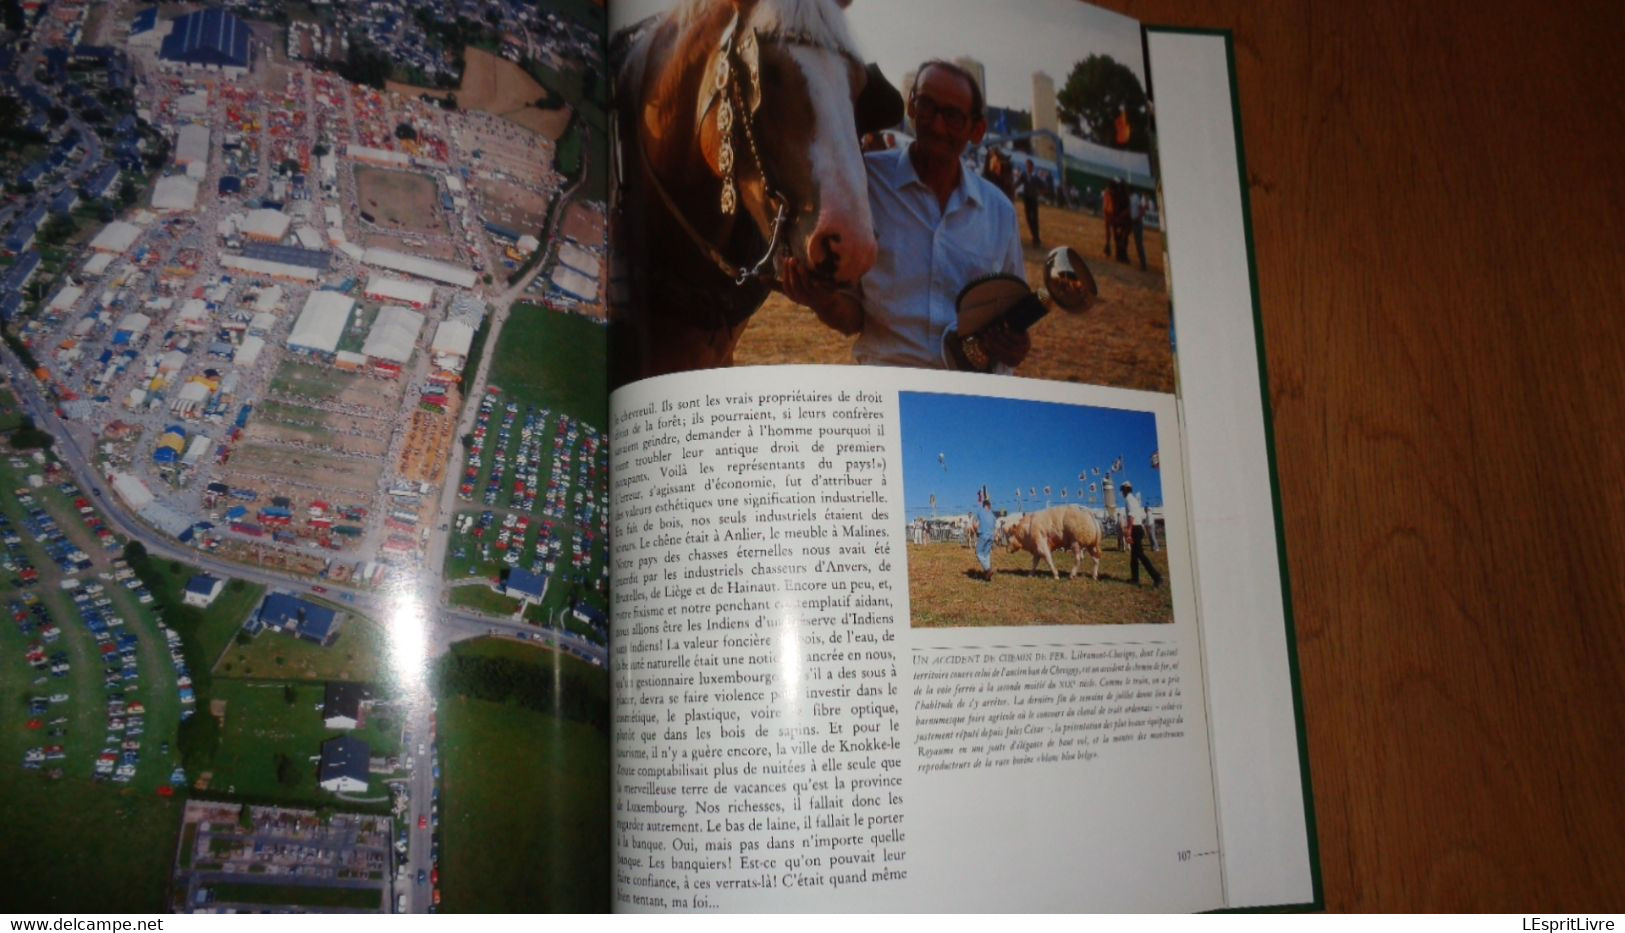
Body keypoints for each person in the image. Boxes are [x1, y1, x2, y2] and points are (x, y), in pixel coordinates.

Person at [780, 60, 1028, 371]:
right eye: (927, 106)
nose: (936, 126)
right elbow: (854, 318)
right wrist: (823, 301)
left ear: (977, 130)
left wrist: (1015, 344)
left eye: (952, 117)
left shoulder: (1000, 214)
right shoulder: (866, 183)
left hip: (971, 397)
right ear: (911, 105)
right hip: (888, 386)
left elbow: (1015, 320)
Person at [1120, 481, 1161, 587]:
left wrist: (1128, 532)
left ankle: (1156, 577)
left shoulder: (1128, 500)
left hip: (1134, 528)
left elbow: (1131, 516)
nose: (1121, 492)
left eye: (1122, 490)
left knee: (1140, 555)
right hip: (1138, 527)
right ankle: (1135, 578)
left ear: (1125, 490)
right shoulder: (1134, 499)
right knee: (1134, 556)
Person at [1017, 158, 1042, 247]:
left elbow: (1043, 185)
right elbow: (1018, 183)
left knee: (1034, 219)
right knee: (1028, 218)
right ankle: (1035, 236)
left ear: (1032, 167)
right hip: (1027, 199)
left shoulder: (1036, 177)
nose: (1028, 168)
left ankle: (1036, 238)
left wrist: (1039, 192)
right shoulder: (1024, 175)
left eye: (1029, 166)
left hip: (1033, 199)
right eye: (1027, 166)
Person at [974, 487, 997, 582]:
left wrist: (976, 533)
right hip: (991, 536)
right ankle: (987, 575)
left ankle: (988, 569)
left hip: (983, 534)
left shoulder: (980, 511)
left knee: (978, 553)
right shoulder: (992, 515)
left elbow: (975, 524)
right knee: (987, 554)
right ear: (989, 506)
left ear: (984, 505)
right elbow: (994, 527)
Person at [1130, 189, 1149, 270]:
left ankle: (1143, 264)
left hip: (1137, 222)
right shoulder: (1133, 198)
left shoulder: (1135, 198)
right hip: (1135, 222)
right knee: (1138, 244)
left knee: (1139, 244)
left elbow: (1142, 209)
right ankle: (1143, 263)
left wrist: (1138, 217)